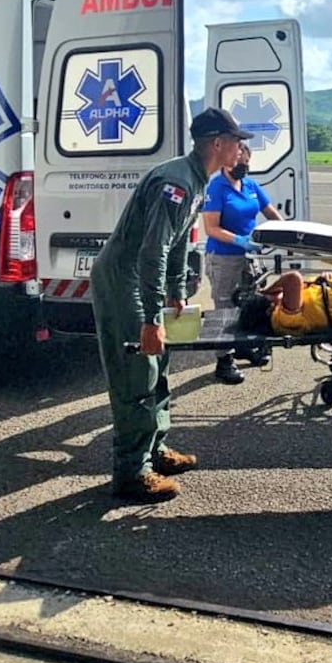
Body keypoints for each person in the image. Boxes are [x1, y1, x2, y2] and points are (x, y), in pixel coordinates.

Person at [91, 106, 250, 503]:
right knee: (137, 370)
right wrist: (149, 319)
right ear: (217, 143)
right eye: (237, 141)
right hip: (123, 280)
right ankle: (131, 474)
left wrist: (177, 291)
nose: (242, 149)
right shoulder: (175, 182)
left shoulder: (197, 180)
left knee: (158, 363)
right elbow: (152, 250)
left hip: (142, 280)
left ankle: (154, 450)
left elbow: (179, 243)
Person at [201, 140, 284, 385]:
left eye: (246, 162)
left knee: (251, 303)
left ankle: (244, 346)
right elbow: (211, 228)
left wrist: (285, 231)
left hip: (250, 257)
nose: (243, 166)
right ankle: (223, 360)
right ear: (227, 162)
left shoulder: (250, 185)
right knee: (224, 307)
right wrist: (239, 240)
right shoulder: (216, 188)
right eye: (239, 161)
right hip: (224, 256)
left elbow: (271, 213)